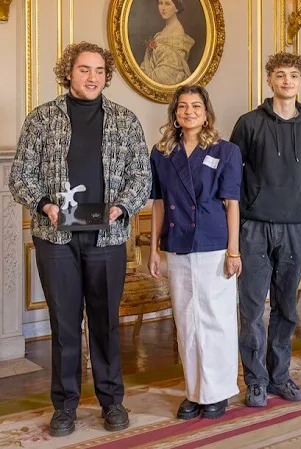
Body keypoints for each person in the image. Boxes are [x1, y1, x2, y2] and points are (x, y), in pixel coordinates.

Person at [9, 42, 151, 436]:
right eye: (84, 69)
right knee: (65, 325)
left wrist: (121, 207)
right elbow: (20, 175)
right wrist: (45, 206)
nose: (92, 77)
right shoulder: (41, 119)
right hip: (56, 238)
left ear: (107, 76)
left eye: (100, 70)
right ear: (68, 72)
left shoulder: (125, 120)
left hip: (107, 238)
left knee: (105, 324)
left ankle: (112, 402)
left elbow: (142, 176)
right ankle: (65, 408)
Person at [229, 52, 301, 407]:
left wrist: (293, 197)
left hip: (294, 230)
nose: (287, 81)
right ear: (269, 80)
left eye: (294, 75)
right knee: (252, 309)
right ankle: (255, 380)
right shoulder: (249, 123)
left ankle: (279, 376)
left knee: (286, 309)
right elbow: (232, 173)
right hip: (253, 227)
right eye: (280, 75)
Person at [148, 85, 242, 420]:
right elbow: (158, 203)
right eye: (183, 106)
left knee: (216, 319)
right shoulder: (161, 153)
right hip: (177, 245)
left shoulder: (226, 151)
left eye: (196, 106)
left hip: (214, 244)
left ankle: (217, 391)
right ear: (174, 113)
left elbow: (232, 204)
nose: (189, 111)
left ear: (206, 112)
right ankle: (194, 392)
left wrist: (234, 251)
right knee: (187, 320)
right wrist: (155, 248)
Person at [140, 0, 194, 85]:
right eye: (160, 3)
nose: (163, 8)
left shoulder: (177, 32)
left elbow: (168, 73)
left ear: (176, 8)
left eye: (168, 4)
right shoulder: (166, 29)